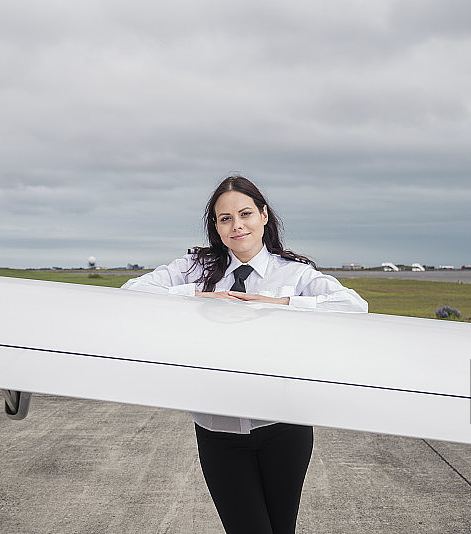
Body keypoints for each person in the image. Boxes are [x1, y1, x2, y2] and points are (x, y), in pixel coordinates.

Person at [121, 175, 367, 534]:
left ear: (264, 216)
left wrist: (281, 303)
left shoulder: (294, 274)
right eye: (225, 218)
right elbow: (131, 293)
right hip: (218, 429)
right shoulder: (194, 270)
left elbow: (353, 307)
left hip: (285, 426)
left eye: (245, 214)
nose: (237, 225)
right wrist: (198, 296)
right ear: (216, 227)